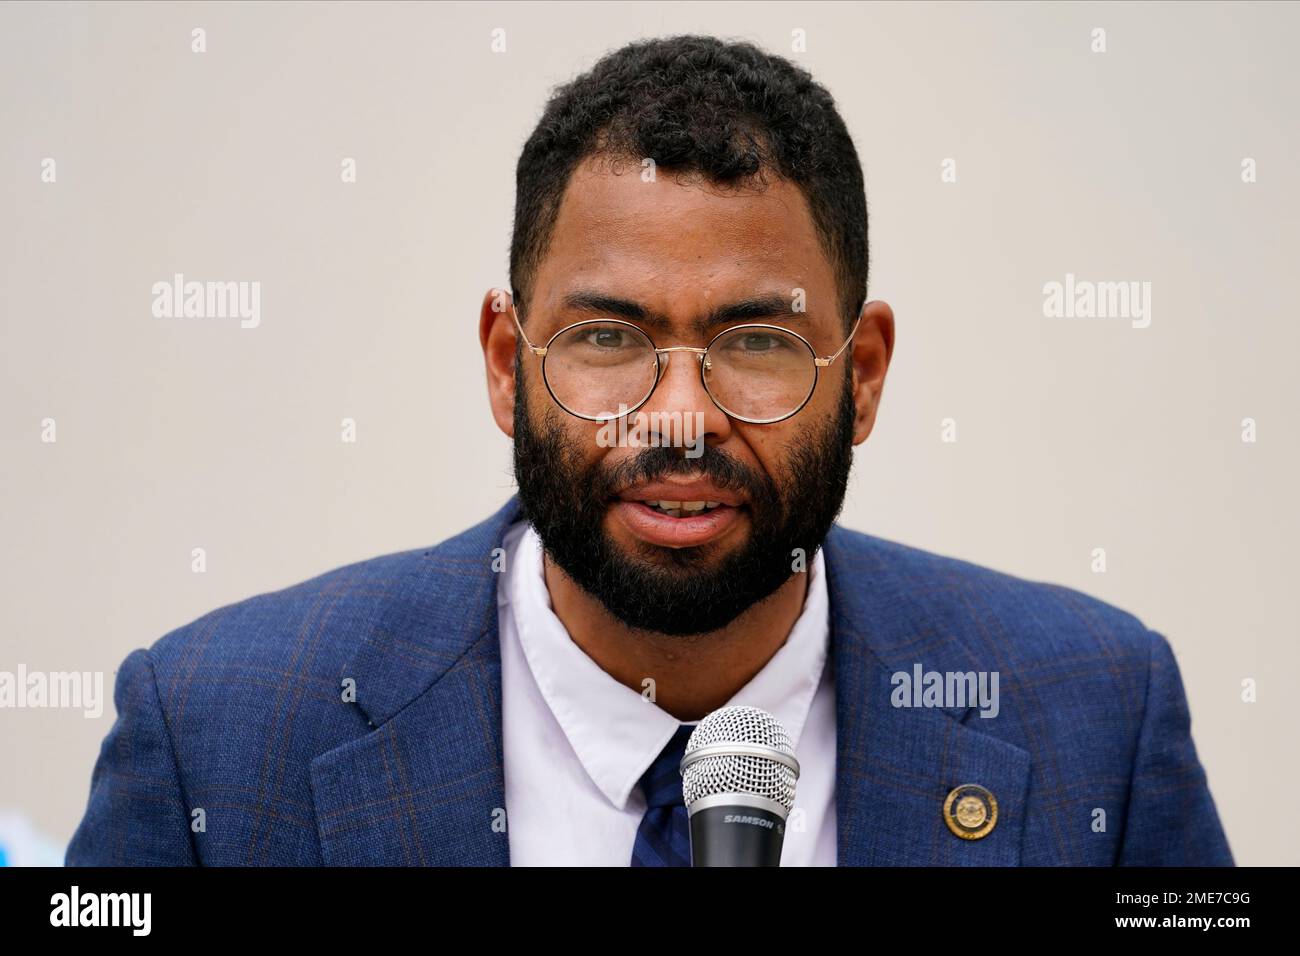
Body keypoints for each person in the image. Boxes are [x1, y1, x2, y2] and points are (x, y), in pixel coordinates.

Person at [67, 34, 1231, 866]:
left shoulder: (1094, 717)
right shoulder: (215, 739)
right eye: (608, 337)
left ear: (862, 374)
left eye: (757, 341)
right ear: (500, 359)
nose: (678, 416)